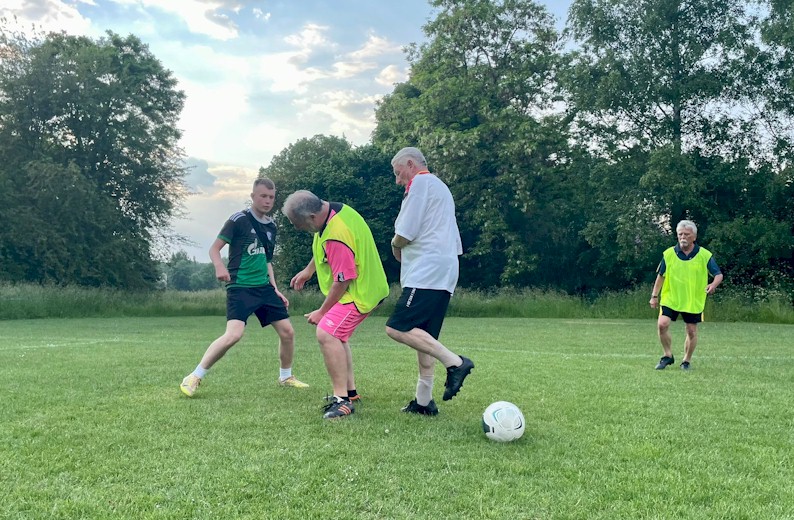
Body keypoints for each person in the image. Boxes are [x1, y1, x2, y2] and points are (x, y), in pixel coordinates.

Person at [179, 178, 309, 397]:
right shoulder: (238, 220)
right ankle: (194, 377)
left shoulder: (271, 225)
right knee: (234, 335)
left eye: (271, 197)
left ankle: (286, 376)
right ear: (253, 196)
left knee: (288, 332)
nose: (267, 201)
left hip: (264, 288)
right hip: (240, 287)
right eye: (263, 196)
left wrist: (275, 288)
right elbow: (214, 249)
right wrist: (219, 266)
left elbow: (267, 261)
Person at [284, 190, 389, 419]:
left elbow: (344, 278)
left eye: (297, 223)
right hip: (362, 288)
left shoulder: (336, 233)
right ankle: (350, 394)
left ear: (311, 216)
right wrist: (309, 270)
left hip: (359, 292)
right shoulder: (334, 212)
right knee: (337, 335)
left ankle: (341, 401)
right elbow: (323, 243)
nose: (296, 228)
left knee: (326, 333)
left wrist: (322, 312)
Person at [385, 147, 473, 416]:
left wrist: (394, 245)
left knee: (397, 327)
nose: (398, 180)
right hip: (443, 269)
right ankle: (424, 402)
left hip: (427, 269)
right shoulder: (440, 187)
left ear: (410, 165)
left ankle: (456, 363)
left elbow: (406, 232)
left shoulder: (420, 183)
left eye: (398, 173)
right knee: (423, 335)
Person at [650, 219, 723, 371]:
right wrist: (654, 296)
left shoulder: (704, 255)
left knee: (691, 331)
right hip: (671, 298)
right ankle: (667, 355)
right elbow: (661, 276)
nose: (683, 237)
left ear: (694, 237)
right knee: (662, 324)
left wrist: (713, 285)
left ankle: (686, 361)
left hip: (692, 300)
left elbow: (718, 275)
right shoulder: (669, 254)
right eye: (680, 234)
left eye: (686, 234)